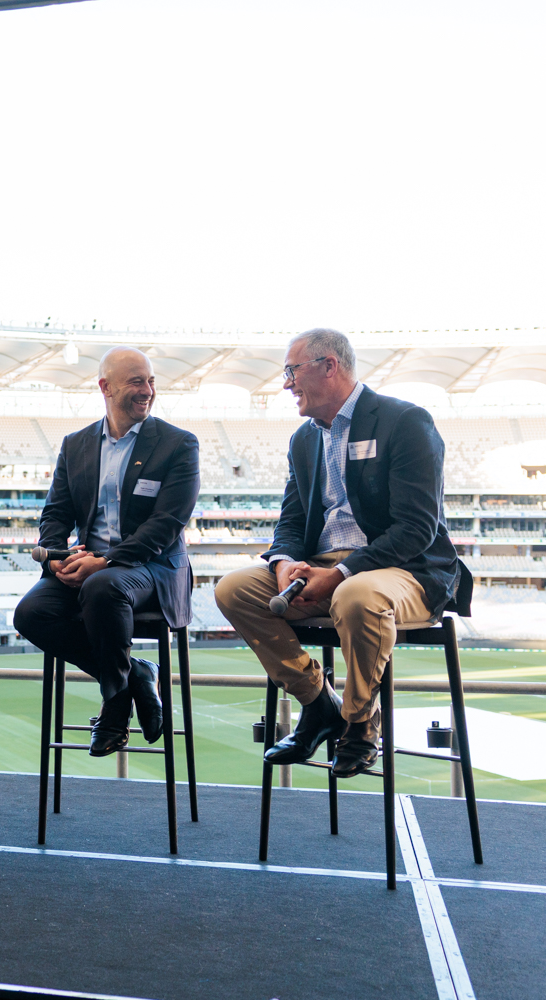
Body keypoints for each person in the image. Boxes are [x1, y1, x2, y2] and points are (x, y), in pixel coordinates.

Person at [214, 328, 466, 777]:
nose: (286, 384)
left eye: (292, 371)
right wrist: (283, 563)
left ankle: (360, 721)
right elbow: (292, 520)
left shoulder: (405, 421)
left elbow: (417, 528)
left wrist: (343, 573)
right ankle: (318, 702)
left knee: (355, 595)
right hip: (323, 568)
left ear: (329, 366)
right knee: (233, 589)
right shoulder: (303, 440)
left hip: (404, 569)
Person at [13, 347, 200, 756]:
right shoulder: (76, 444)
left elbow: (167, 523)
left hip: (151, 567)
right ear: (106, 387)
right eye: (136, 382)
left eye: (150, 381)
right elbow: (56, 512)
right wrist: (58, 556)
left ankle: (115, 707)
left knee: (103, 587)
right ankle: (135, 674)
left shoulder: (178, 444)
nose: (147, 390)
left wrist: (106, 561)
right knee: (29, 614)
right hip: (89, 565)